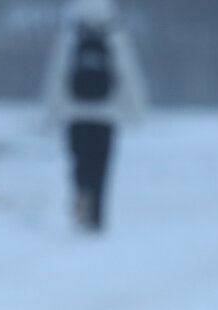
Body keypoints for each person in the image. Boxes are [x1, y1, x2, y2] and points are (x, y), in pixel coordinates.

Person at [42, 0, 148, 232]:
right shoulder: (116, 35)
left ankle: (81, 200)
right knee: (100, 167)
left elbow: (57, 72)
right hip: (106, 115)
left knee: (79, 163)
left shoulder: (69, 35)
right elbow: (129, 73)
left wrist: (53, 111)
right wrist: (136, 111)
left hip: (75, 114)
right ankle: (96, 218)